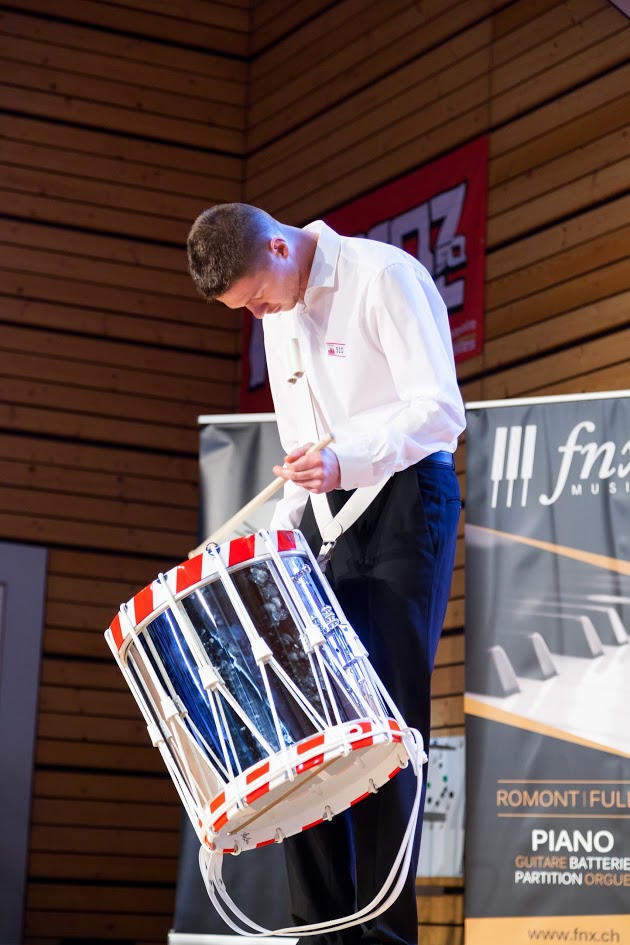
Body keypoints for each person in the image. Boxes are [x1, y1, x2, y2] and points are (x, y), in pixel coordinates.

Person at [187, 203, 465, 945]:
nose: (259, 315)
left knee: (384, 725)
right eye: (246, 309)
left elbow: (440, 411)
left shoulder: (384, 276)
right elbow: (302, 451)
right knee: (301, 726)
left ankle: (384, 934)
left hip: (405, 499)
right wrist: (277, 541)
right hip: (323, 514)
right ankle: (316, 931)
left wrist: (346, 459)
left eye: (257, 297)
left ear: (279, 247)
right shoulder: (277, 310)